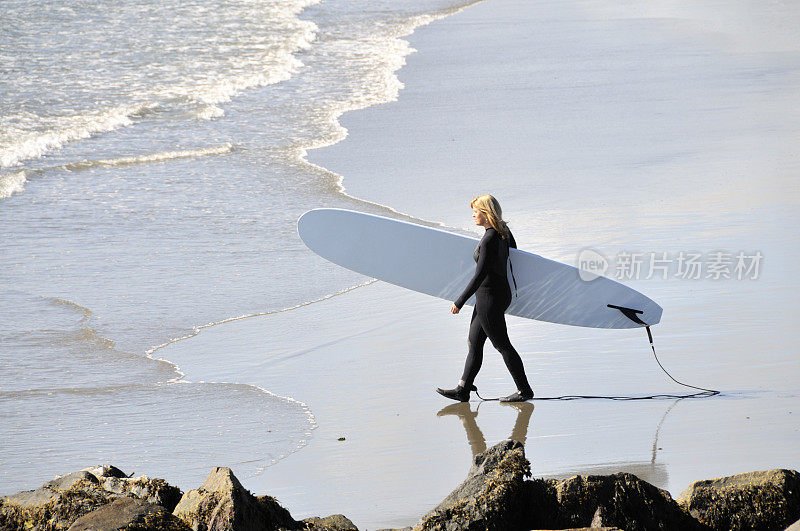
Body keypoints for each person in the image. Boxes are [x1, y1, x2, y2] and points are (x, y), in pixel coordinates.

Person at [436, 195, 534, 403]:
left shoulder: (489, 238)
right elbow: (515, 255)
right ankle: (463, 389)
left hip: (489, 297)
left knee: (502, 345)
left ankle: (524, 390)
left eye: (476, 211)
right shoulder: (504, 234)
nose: (473, 215)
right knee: (474, 342)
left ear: (486, 213)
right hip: (496, 294)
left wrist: (459, 301)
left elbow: (480, 275)